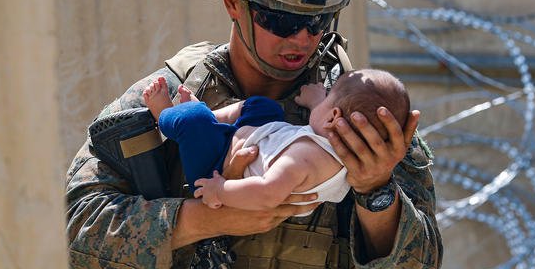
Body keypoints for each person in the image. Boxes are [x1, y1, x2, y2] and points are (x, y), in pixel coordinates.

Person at [66, 0, 442, 269]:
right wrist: (205, 219)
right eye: (280, 19)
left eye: (316, 20)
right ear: (233, 3)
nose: (302, 37)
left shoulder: (360, 119)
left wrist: (376, 190)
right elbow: (72, 230)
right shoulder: (170, 100)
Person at [142, 68, 410, 217]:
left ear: (334, 116)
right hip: (257, 139)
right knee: (264, 107)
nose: (323, 98)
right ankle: (209, 118)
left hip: (216, 166)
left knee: (191, 121)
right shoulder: (337, 153)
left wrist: (221, 190)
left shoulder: (303, 159)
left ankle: (165, 113)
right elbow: (325, 125)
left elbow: (268, 193)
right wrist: (318, 101)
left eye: (328, 98)